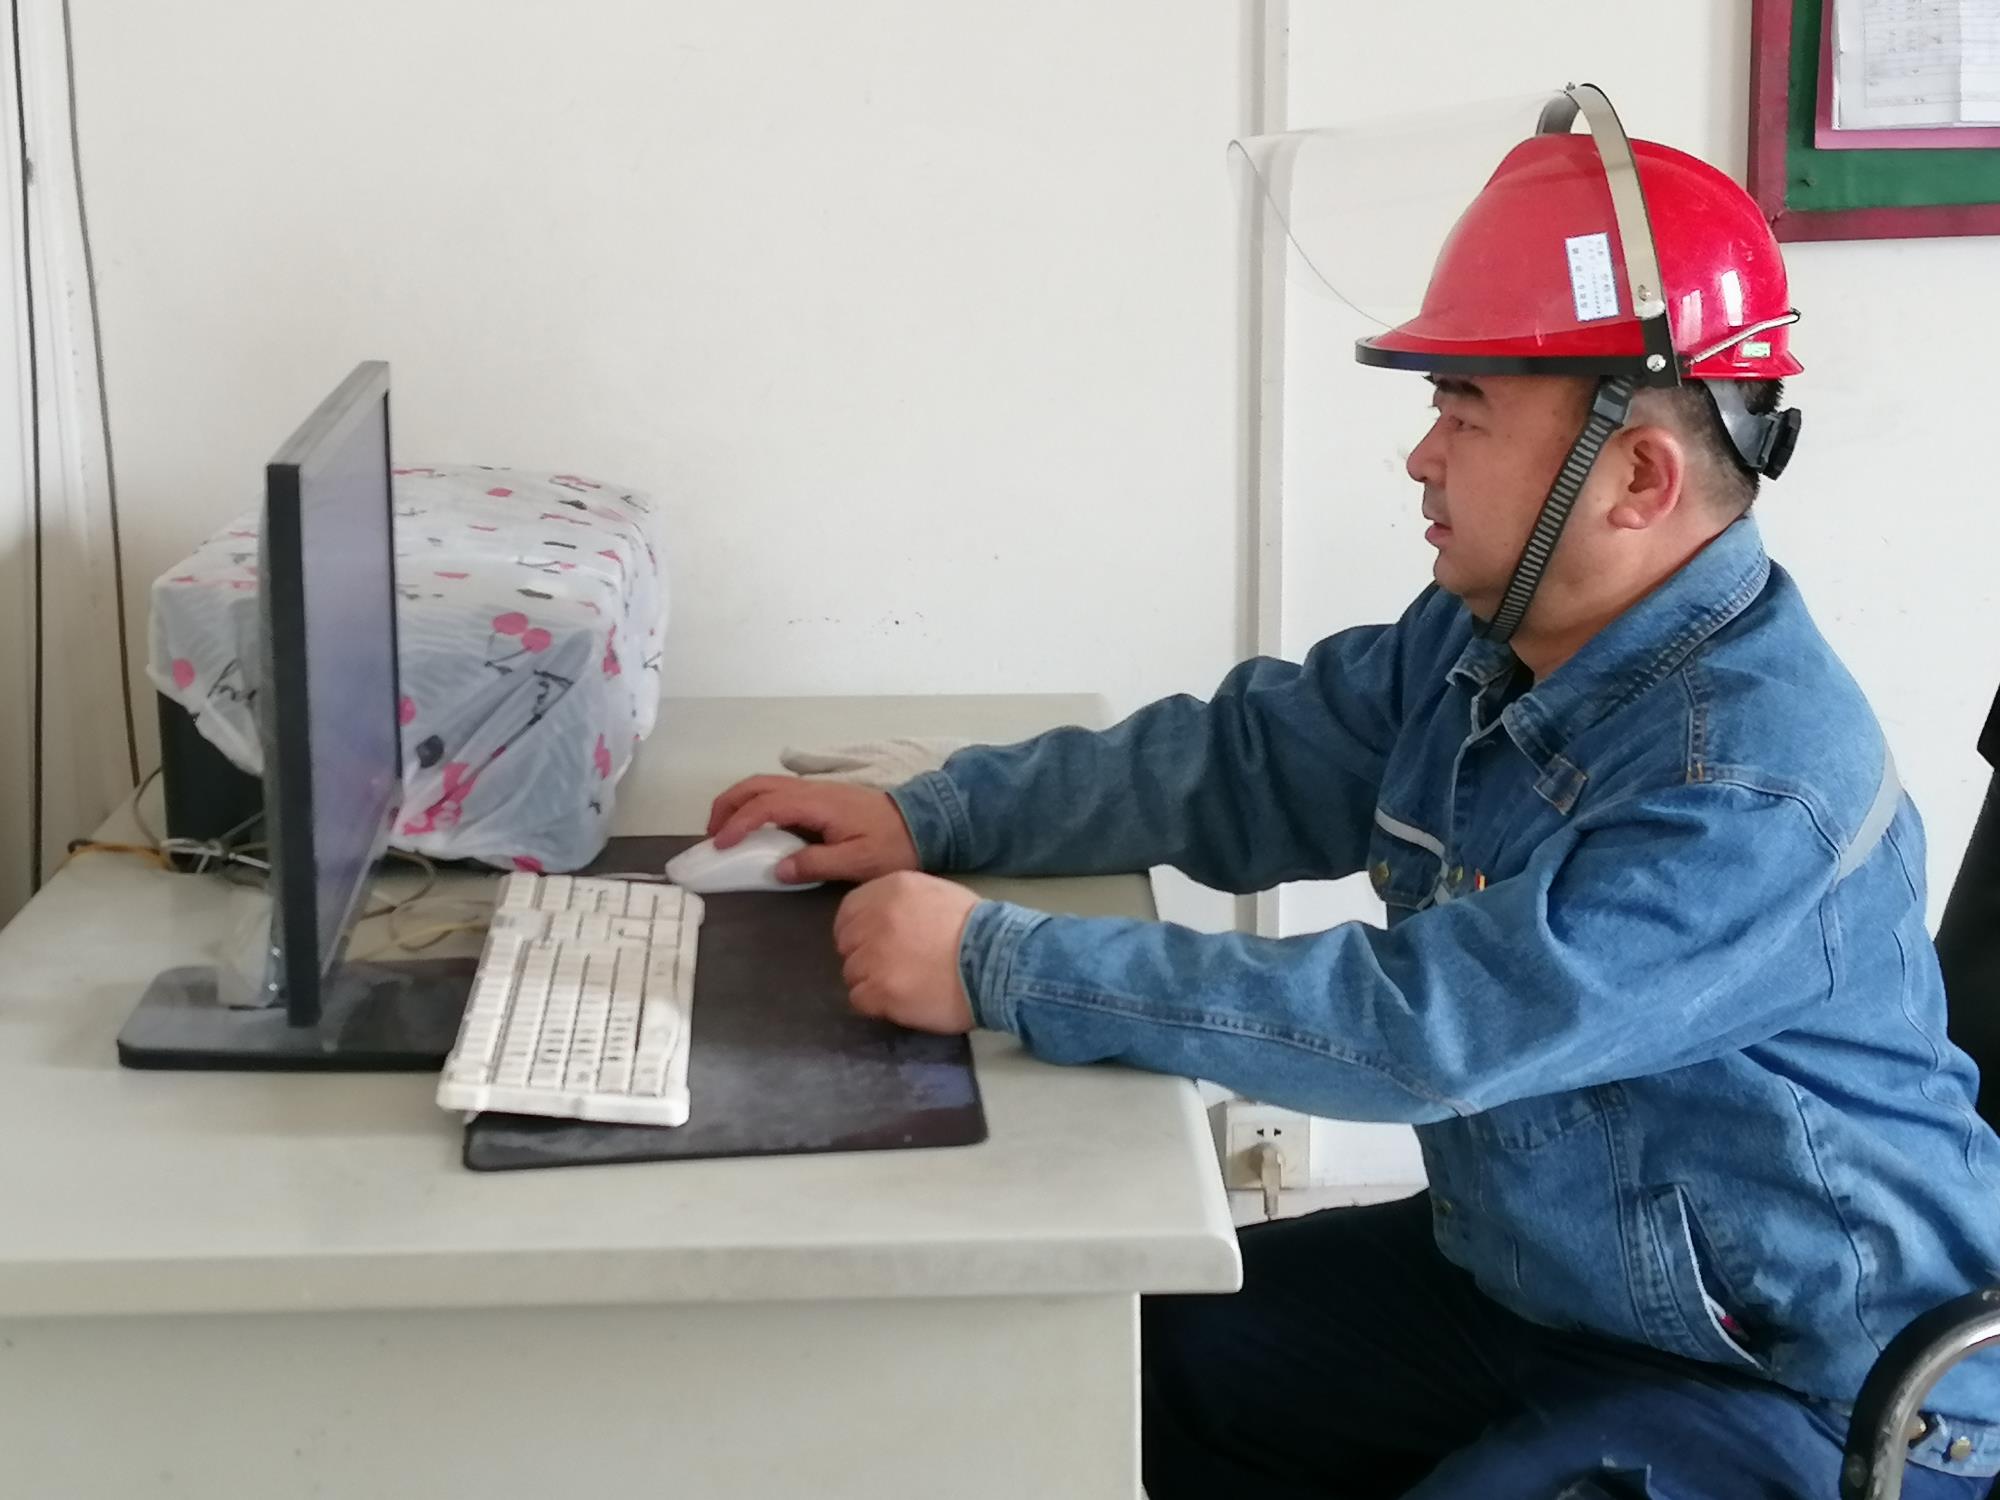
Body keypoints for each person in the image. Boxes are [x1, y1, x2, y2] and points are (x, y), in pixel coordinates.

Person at [707, 103, 2000, 1498]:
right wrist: (943, 815)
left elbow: (1426, 1026)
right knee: (1099, 1370)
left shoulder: (1749, 786)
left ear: (1636, 474)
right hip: (1546, 1289)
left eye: (1465, 410)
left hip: (1811, 1386)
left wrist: (999, 963)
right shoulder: (1493, 638)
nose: (1422, 457)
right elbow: (1248, 760)